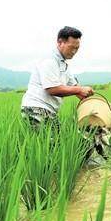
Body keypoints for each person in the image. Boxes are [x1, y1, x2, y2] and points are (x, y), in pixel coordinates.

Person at [21, 26, 102, 161]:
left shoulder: (63, 65)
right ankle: (47, 178)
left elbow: (77, 90)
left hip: (49, 112)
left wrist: (95, 108)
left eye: (77, 48)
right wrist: (79, 90)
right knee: (50, 149)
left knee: (67, 143)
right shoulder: (49, 61)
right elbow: (52, 89)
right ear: (60, 42)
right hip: (36, 110)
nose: (75, 51)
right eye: (72, 47)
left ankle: (74, 171)